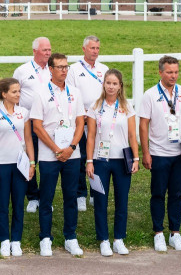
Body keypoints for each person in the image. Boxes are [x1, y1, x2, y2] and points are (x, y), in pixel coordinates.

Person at [139, 55, 181, 253]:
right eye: (169, 72)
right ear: (160, 72)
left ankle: (175, 233)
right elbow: (143, 125)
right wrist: (145, 152)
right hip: (158, 153)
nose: (173, 76)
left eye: (176, 72)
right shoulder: (150, 95)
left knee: (177, 194)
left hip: (180, 153)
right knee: (158, 194)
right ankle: (158, 233)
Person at [30, 52, 85, 257]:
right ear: (50, 69)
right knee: (46, 197)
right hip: (49, 155)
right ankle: (45, 238)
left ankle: (70, 237)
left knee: (71, 196)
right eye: (60, 67)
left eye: (66, 67)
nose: (64, 70)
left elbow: (81, 122)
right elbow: (37, 126)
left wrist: (71, 147)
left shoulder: (75, 93)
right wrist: (55, 149)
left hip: (72, 153)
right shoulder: (41, 93)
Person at [85, 68, 138, 256]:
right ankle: (104, 240)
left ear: (120, 86)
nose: (111, 86)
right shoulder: (95, 107)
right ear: (104, 84)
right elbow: (90, 136)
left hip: (122, 160)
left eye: (115, 83)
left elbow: (132, 135)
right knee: (101, 200)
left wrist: (136, 158)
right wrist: (89, 161)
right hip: (101, 160)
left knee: (121, 201)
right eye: (108, 83)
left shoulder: (127, 106)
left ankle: (119, 239)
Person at [0, 78, 36, 257]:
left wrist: (32, 162)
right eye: (14, 92)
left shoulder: (24, 113)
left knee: (18, 204)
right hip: (1, 165)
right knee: (2, 205)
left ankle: (16, 240)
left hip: (20, 164)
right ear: (4, 94)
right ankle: (4, 240)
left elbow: (28, 139)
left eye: (19, 91)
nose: (18, 95)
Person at [66, 34, 108, 212]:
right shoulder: (74, 70)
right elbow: (72, 95)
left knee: (97, 157)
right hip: (81, 121)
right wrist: (81, 114)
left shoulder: (104, 69)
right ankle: (80, 194)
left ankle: (94, 192)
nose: (95, 51)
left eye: (97, 48)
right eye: (92, 48)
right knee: (80, 158)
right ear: (84, 49)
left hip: (99, 121)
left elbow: (108, 93)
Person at [12, 36, 52, 213]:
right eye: (45, 50)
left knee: (48, 162)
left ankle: (46, 197)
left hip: (50, 123)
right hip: (29, 122)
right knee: (30, 158)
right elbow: (13, 95)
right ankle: (33, 196)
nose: (48, 53)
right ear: (35, 51)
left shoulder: (53, 69)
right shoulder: (22, 71)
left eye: (49, 50)